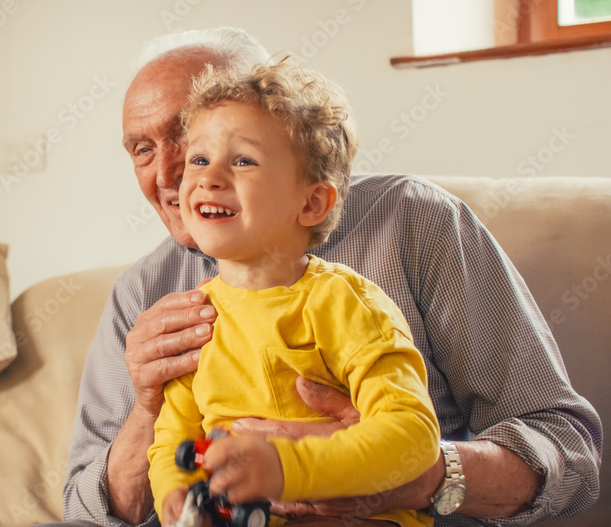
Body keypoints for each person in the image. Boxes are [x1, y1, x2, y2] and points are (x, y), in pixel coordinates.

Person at [64, 27, 602, 527]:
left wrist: (424, 475)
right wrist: (148, 410)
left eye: (190, 134)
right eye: (142, 149)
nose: (172, 174)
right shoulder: (141, 294)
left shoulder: (411, 224)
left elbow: (568, 450)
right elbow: (83, 509)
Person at [147, 60, 440, 527]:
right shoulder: (196, 317)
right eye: (199, 159)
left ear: (311, 203)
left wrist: (286, 469)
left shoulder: (346, 303)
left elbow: (414, 437)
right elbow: (171, 441)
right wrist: (175, 499)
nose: (209, 176)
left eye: (242, 160)